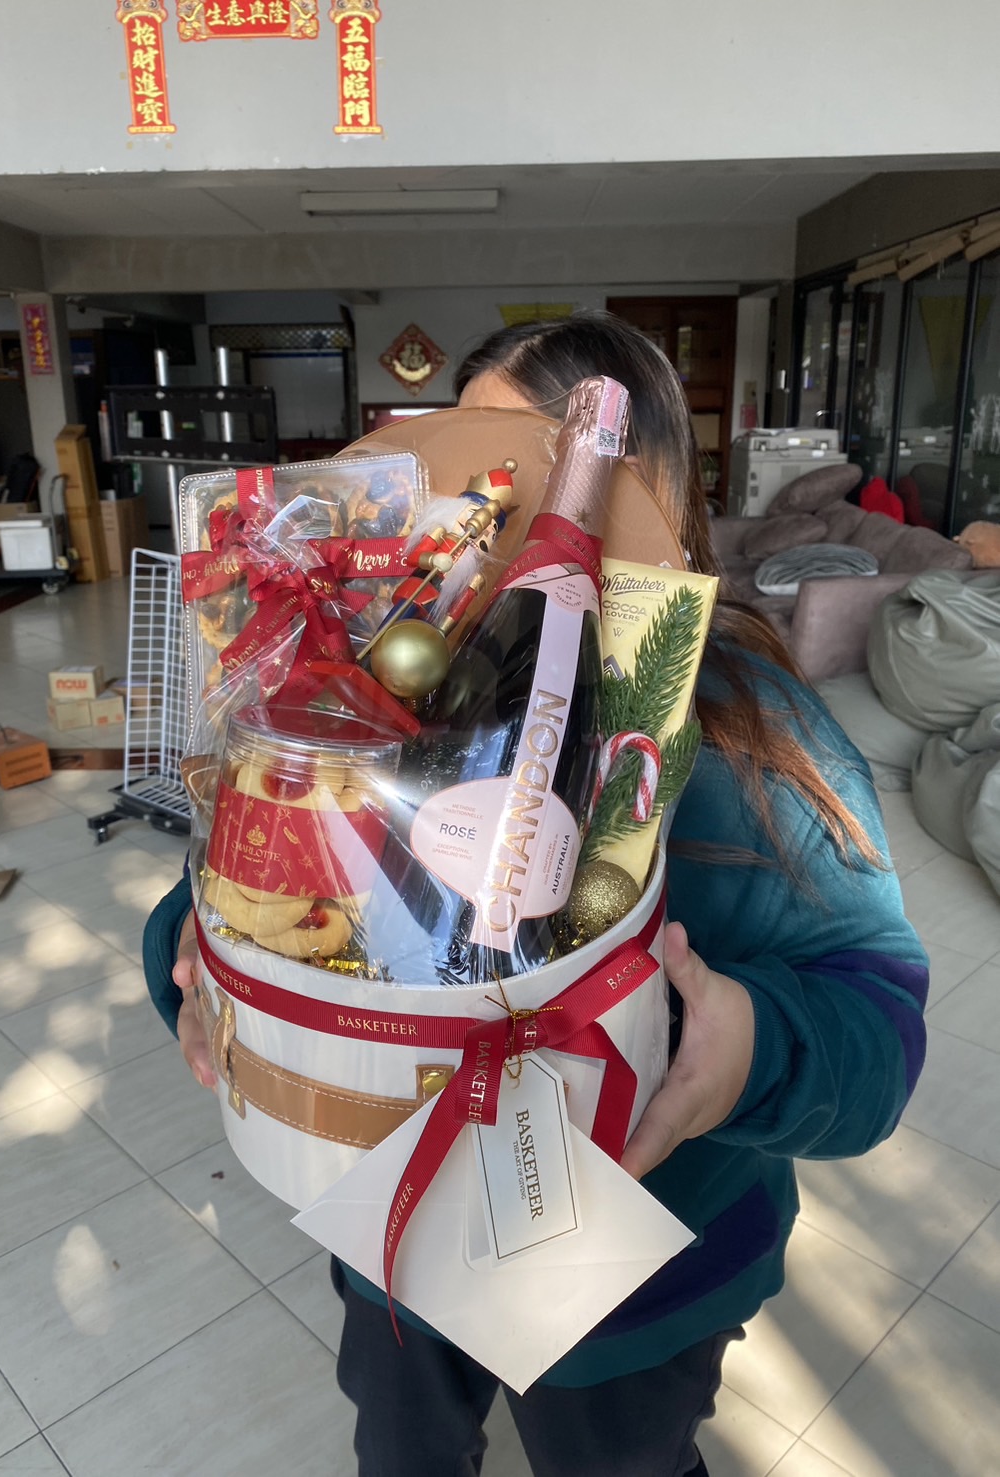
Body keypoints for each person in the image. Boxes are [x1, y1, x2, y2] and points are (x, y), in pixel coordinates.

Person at [144, 311, 928, 1477]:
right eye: (460, 458)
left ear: (631, 479)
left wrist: (753, 1045)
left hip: (643, 1281)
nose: (488, 499)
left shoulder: (755, 739)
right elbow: (231, 888)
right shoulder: (368, 688)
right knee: (404, 1446)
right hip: (395, 1231)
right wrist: (197, 956)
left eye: (529, 458)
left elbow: (877, 1020)